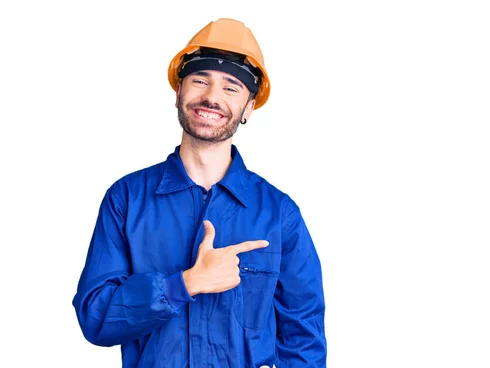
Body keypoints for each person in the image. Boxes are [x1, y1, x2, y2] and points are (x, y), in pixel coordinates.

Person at [72, 18, 327, 367]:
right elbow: (96, 319)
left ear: (249, 107)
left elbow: (304, 339)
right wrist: (184, 284)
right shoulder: (127, 200)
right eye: (200, 80)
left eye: (231, 87)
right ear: (179, 91)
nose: (211, 96)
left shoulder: (278, 214)